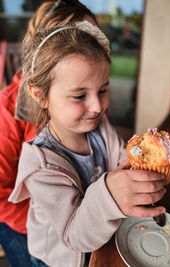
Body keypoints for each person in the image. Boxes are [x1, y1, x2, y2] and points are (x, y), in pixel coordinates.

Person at [9, 21, 166, 267]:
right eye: (80, 96)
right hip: (57, 260)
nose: (97, 107)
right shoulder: (41, 164)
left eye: (102, 91)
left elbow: (123, 163)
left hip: (103, 243)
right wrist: (110, 194)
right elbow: (76, 237)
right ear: (41, 96)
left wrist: (154, 163)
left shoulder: (99, 128)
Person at [0, 1, 97, 266]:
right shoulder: (8, 111)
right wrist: (48, 225)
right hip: (26, 223)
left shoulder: (91, 97)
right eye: (76, 40)